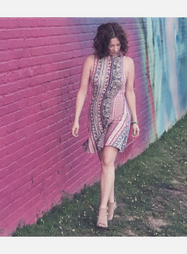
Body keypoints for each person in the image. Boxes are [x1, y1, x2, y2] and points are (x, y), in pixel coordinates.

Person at [71, 22, 140, 229]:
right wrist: (75, 119)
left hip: (120, 116)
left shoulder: (128, 63)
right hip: (96, 117)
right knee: (105, 164)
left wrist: (135, 120)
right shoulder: (91, 62)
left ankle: (102, 210)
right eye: (111, 46)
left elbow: (129, 92)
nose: (115, 49)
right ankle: (111, 201)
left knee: (108, 161)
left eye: (118, 45)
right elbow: (83, 91)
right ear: (102, 44)